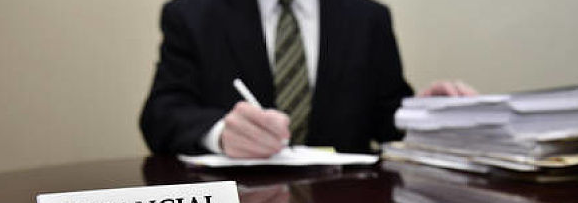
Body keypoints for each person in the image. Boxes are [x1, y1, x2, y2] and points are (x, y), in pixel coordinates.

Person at [140, 0, 476, 158]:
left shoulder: (369, 17)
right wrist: (220, 133)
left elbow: (386, 117)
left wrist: (427, 114)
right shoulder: (192, 14)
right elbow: (161, 114)